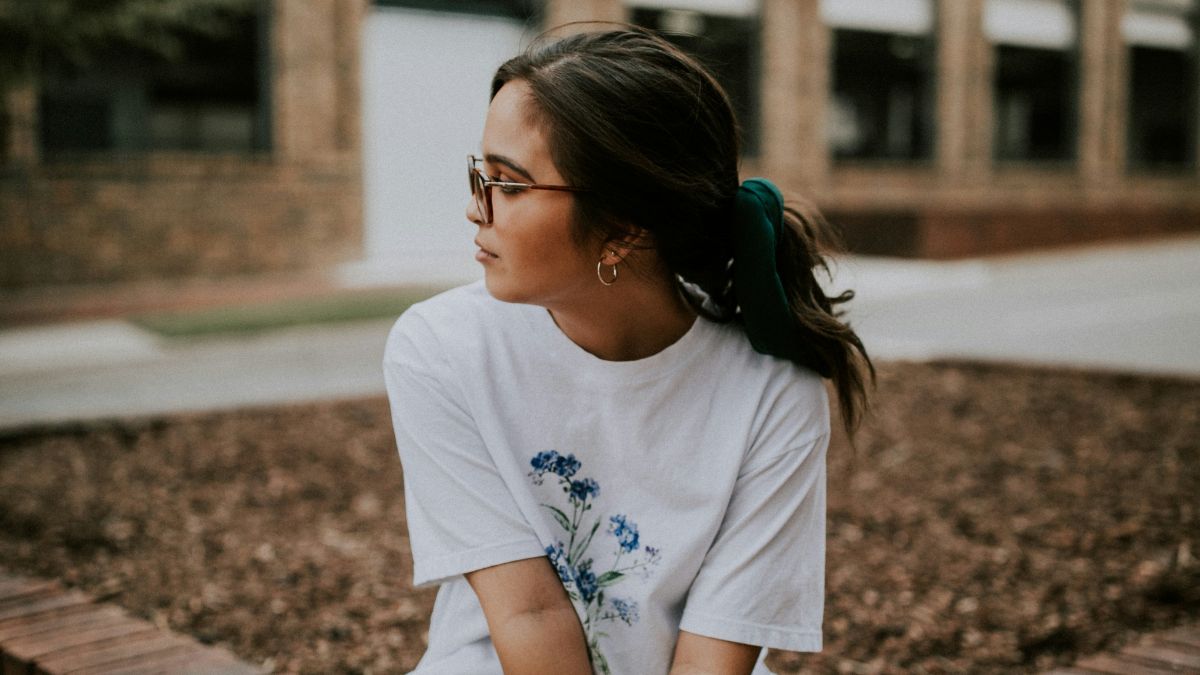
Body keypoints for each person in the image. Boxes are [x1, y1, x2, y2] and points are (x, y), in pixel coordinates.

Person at [383, 26, 872, 675]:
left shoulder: (774, 388)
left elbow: (714, 652)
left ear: (623, 227)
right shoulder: (441, 349)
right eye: (481, 173)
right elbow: (528, 614)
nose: (477, 209)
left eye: (510, 183)